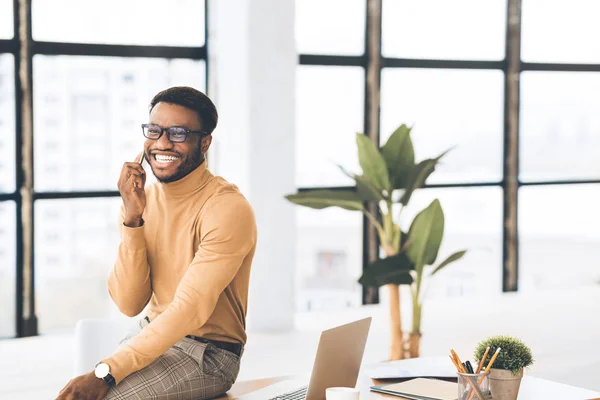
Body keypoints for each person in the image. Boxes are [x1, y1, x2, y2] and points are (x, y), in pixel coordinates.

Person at [57, 86, 258, 400]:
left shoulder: (226, 208)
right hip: (151, 332)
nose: (163, 143)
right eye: (155, 130)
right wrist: (133, 220)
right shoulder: (141, 200)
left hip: (207, 354)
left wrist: (107, 370)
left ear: (204, 142)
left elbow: (189, 310)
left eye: (178, 133)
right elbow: (129, 303)